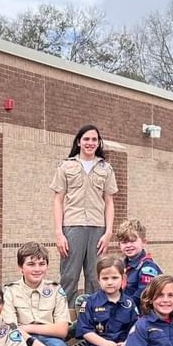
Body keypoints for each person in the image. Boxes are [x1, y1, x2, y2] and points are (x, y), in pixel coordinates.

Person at [50, 124, 118, 302]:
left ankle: (95, 317)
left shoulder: (106, 169)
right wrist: (59, 233)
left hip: (97, 228)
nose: (90, 143)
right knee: (69, 276)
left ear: (99, 143)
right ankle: (66, 319)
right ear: (79, 142)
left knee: (96, 277)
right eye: (86, 139)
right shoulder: (66, 166)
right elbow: (58, 200)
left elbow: (109, 202)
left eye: (94, 139)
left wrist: (108, 232)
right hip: (73, 226)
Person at [115, 218, 162, 302]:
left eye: (133, 241)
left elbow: (143, 295)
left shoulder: (148, 267)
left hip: (139, 312)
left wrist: (123, 307)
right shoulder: (121, 266)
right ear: (119, 245)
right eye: (124, 242)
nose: (128, 245)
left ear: (144, 242)